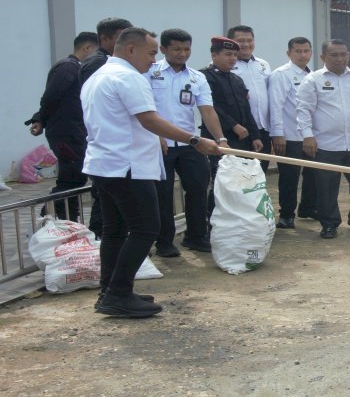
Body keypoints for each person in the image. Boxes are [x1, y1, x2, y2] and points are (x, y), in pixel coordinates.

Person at [81, 27, 220, 317]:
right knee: (146, 229)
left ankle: (111, 290)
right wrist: (195, 139)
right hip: (127, 166)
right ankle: (117, 294)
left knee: (115, 231)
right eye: (151, 52)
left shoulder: (99, 76)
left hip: (106, 164)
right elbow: (149, 120)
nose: (153, 59)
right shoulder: (128, 77)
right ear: (130, 50)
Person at [146, 29, 229, 257]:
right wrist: (156, 135)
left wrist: (220, 138)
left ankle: (196, 236)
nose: (182, 54)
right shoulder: (149, 73)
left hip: (190, 143)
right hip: (159, 144)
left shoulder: (196, 77)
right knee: (163, 194)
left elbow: (207, 110)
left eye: (186, 49)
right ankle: (164, 241)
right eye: (176, 49)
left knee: (198, 188)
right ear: (163, 49)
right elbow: (144, 110)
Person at [297, 39, 350, 239]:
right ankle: (329, 223)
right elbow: (303, 111)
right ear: (323, 57)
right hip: (326, 145)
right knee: (326, 188)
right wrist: (307, 136)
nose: (339, 58)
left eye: (343, 54)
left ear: (349, 55)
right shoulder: (312, 80)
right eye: (334, 55)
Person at [26, 31, 98, 220]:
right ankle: (55, 218)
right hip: (66, 135)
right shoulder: (68, 68)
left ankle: (63, 218)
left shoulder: (77, 68)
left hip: (74, 133)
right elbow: (51, 97)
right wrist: (39, 118)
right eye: (96, 52)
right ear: (87, 48)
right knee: (71, 178)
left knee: (76, 178)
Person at [201, 37, 264, 235]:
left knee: (241, 182)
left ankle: (238, 222)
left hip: (242, 140)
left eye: (235, 55)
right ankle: (213, 225)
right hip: (219, 139)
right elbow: (211, 108)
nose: (232, 59)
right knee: (221, 182)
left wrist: (255, 135)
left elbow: (247, 110)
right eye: (228, 54)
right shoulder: (205, 77)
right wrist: (233, 125)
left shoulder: (236, 79)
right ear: (214, 55)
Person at [78, 17, 133, 236]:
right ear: (105, 38)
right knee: (105, 201)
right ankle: (102, 239)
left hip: (115, 146)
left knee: (113, 205)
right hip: (107, 145)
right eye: (122, 37)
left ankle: (110, 240)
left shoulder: (113, 63)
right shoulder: (98, 65)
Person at [268, 37, 318, 229]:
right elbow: (276, 105)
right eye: (298, 51)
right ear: (289, 53)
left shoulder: (313, 75)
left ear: (311, 53)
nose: (302, 55)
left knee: (313, 173)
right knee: (289, 177)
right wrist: (277, 134)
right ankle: (287, 214)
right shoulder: (281, 75)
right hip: (289, 136)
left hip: (309, 136)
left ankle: (308, 207)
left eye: (306, 51)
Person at [227, 25, 272, 172]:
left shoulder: (263, 64)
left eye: (249, 40)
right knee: (237, 176)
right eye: (240, 40)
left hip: (262, 129)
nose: (246, 44)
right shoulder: (224, 66)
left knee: (259, 174)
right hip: (238, 131)